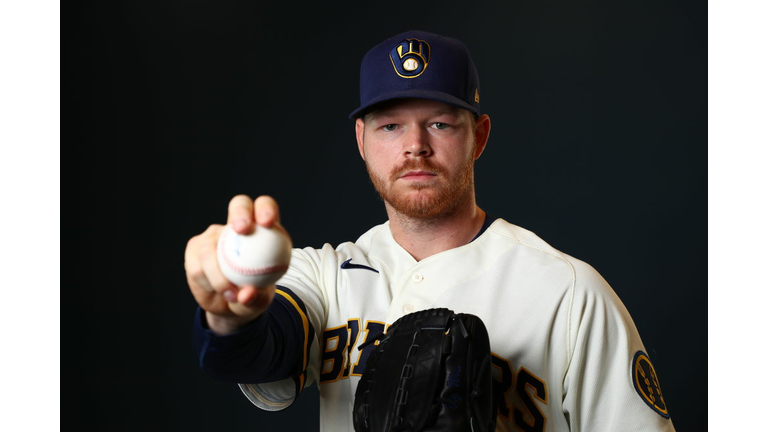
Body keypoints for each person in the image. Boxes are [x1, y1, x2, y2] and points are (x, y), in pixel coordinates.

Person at [185, 30, 676, 431]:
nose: (415, 146)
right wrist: (229, 317)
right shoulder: (324, 276)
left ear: (478, 136)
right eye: (390, 126)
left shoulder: (569, 295)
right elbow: (253, 354)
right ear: (361, 140)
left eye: (439, 123)